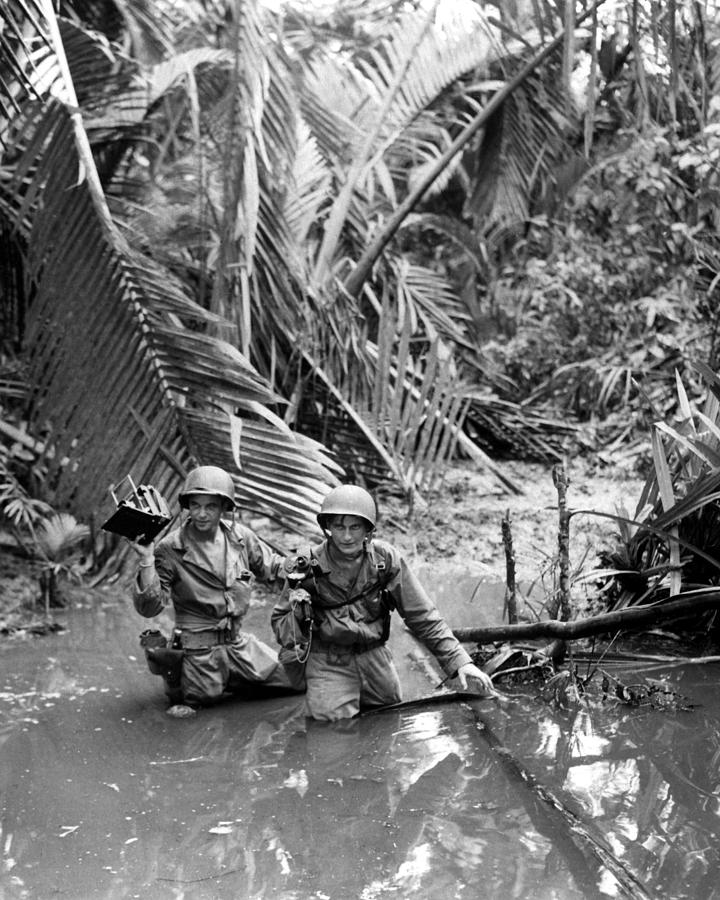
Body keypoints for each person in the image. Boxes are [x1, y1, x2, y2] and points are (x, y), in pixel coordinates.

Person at [271, 484, 495, 721]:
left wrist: (460, 662)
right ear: (328, 528)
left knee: (388, 722)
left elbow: (422, 616)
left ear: (368, 529)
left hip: (375, 657)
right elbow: (282, 630)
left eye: (355, 527)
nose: (347, 536)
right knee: (330, 735)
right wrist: (298, 610)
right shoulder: (305, 568)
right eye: (339, 526)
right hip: (328, 662)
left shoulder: (384, 560)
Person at [129, 464, 299, 715]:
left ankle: (236, 678)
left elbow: (272, 567)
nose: (201, 514)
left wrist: (308, 564)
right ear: (187, 506)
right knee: (196, 705)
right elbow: (149, 607)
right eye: (195, 505)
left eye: (210, 506)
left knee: (297, 682)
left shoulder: (240, 537)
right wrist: (146, 561)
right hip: (199, 650)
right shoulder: (170, 548)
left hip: (238, 644)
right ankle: (178, 677)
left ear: (223, 508)